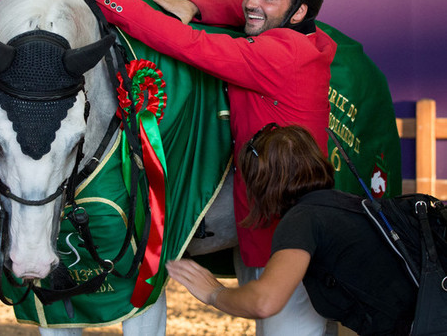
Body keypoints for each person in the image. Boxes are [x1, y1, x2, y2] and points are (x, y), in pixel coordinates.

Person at [56, 0, 338, 335]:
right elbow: (238, 6)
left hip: (288, 231)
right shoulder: (302, 32)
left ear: (300, 12)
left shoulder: (282, 53)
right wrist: (195, 6)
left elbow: (187, 44)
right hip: (266, 221)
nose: (251, 3)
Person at [165, 124, 417, 335]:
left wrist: (214, 293)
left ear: (263, 185)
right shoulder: (345, 204)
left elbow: (265, 301)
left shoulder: (302, 219)